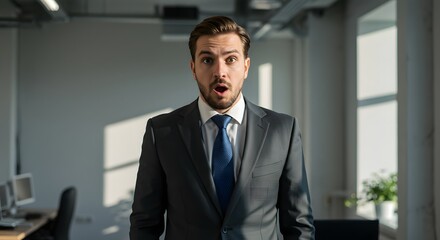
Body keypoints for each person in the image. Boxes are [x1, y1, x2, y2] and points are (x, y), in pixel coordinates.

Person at [130, 16, 314, 240]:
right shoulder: (161, 132)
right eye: (207, 60)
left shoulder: (283, 130)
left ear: (246, 67)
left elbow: (299, 224)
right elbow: (144, 224)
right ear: (193, 68)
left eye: (231, 59)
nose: (220, 72)